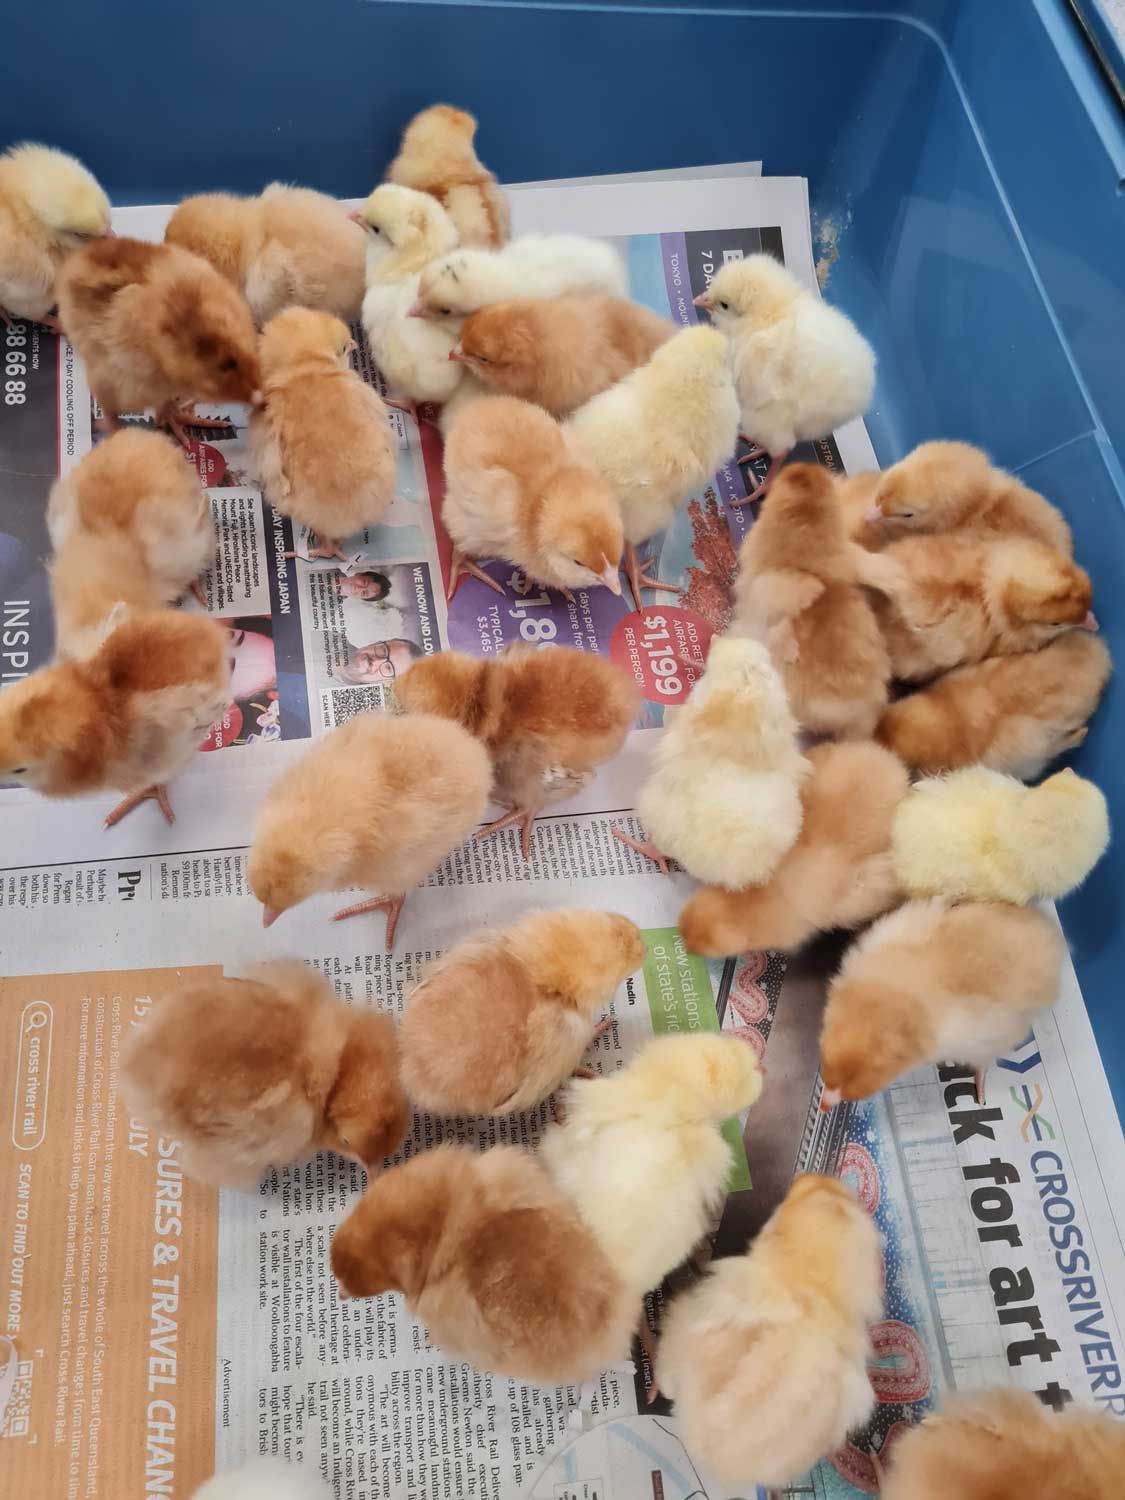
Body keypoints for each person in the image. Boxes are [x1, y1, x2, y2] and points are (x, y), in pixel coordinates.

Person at [338, 639, 422, 685]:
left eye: (388, 668)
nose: (375, 661)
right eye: (383, 651)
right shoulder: (336, 639)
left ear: (387, 682)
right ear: (376, 643)